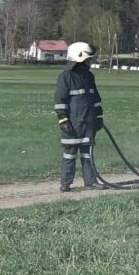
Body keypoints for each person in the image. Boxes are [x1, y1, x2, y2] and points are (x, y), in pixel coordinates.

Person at [54, 41, 104, 192]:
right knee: (69, 154)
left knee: (87, 154)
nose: (90, 62)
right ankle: (66, 183)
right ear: (79, 57)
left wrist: (98, 117)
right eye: (89, 59)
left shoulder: (89, 76)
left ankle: (90, 181)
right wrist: (63, 119)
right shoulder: (66, 77)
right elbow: (60, 100)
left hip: (88, 124)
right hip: (73, 124)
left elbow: (95, 99)